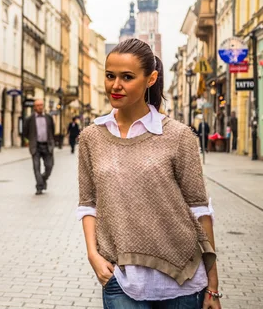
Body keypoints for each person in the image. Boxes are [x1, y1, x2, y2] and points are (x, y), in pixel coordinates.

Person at [77, 38, 221, 309]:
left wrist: (212, 286)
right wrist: (93, 255)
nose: (115, 85)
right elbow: (88, 204)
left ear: (151, 79)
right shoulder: (91, 137)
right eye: (110, 76)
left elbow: (200, 209)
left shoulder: (179, 136)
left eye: (127, 77)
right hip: (122, 279)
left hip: (183, 279)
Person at [23, 99, 55, 195]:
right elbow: (25, 132)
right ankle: (39, 187)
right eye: (38, 105)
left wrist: (51, 142)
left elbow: (52, 130)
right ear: (34, 107)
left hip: (47, 145)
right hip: (35, 146)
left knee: (49, 166)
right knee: (36, 167)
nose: (40, 107)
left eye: (41, 105)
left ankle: (43, 179)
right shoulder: (29, 119)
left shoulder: (49, 117)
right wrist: (30, 140)